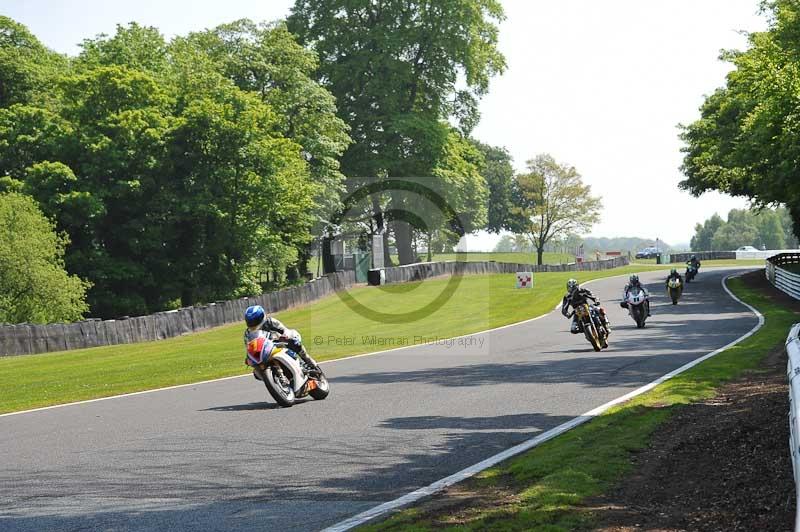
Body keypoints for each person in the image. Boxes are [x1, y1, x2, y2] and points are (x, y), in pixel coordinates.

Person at [243, 305, 320, 374]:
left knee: (294, 340)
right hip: (265, 351)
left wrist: (285, 335)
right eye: (250, 321)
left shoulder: (270, 321)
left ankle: (308, 361)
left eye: (255, 320)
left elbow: (284, 329)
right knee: (256, 372)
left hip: (279, 343)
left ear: (261, 317)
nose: (253, 323)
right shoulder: (247, 333)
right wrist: (249, 358)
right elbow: (250, 347)